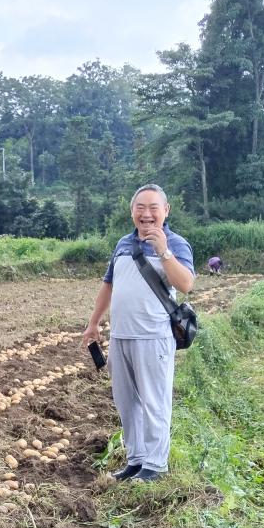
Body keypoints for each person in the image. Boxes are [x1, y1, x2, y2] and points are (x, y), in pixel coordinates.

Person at [81, 184, 195, 483]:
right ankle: (136, 459)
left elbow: (186, 285)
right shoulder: (122, 244)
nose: (146, 214)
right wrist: (94, 323)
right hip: (120, 336)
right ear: (132, 212)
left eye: (153, 208)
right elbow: (108, 285)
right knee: (126, 402)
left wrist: (163, 250)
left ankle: (155, 465)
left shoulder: (176, 243)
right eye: (140, 208)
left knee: (155, 400)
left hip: (153, 336)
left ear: (165, 211)